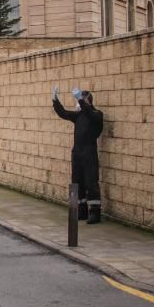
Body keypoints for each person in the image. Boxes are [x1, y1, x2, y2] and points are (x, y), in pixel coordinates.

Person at [52, 86, 105, 224]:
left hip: (89, 152)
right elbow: (63, 113)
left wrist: (81, 100)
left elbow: (90, 114)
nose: (78, 103)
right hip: (77, 153)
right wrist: (55, 100)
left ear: (87, 100)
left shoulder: (97, 114)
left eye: (81, 99)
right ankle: (81, 210)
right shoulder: (79, 116)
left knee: (91, 181)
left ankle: (94, 212)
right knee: (77, 181)